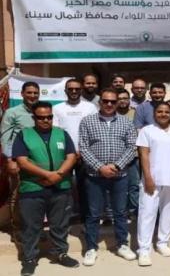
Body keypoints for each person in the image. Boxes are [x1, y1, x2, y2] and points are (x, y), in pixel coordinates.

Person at [13, 101, 79, 276]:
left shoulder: (61, 134)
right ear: (34, 118)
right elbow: (22, 161)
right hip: (32, 188)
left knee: (60, 224)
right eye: (41, 117)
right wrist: (47, 174)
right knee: (31, 226)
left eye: (49, 117)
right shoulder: (24, 135)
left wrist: (58, 175)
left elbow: (71, 156)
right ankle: (29, 259)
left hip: (61, 187)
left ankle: (61, 253)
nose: (45, 120)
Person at [79, 88, 138, 266]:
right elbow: (83, 148)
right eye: (106, 101)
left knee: (120, 212)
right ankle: (91, 248)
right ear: (100, 102)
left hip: (120, 175)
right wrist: (100, 167)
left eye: (113, 101)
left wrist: (117, 165)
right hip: (94, 176)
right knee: (93, 214)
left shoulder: (126, 122)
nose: (110, 104)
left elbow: (132, 147)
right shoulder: (87, 121)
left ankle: (122, 244)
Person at [136, 102, 170, 266]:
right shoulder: (147, 131)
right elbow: (143, 155)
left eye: (166, 112)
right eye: (160, 111)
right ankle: (143, 250)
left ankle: (162, 243)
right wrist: (148, 177)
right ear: (154, 113)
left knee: (168, 212)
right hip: (152, 179)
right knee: (147, 213)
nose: (163, 114)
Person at [1, 81, 40, 252]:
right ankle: (18, 231)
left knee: (37, 197)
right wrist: (10, 159)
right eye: (29, 93)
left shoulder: (41, 112)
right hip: (18, 162)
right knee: (18, 196)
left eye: (35, 93)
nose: (32, 96)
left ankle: (35, 229)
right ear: (23, 94)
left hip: (38, 163)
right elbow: (5, 137)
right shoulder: (12, 113)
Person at [52, 79, 97, 221]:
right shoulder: (57, 108)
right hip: (64, 155)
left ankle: (86, 217)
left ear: (81, 90)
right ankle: (66, 216)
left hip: (86, 154)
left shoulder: (90, 107)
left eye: (77, 89)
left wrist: (83, 150)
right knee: (65, 187)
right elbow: (57, 132)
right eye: (70, 89)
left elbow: (94, 130)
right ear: (65, 91)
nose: (74, 91)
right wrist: (70, 152)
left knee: (85, 187)